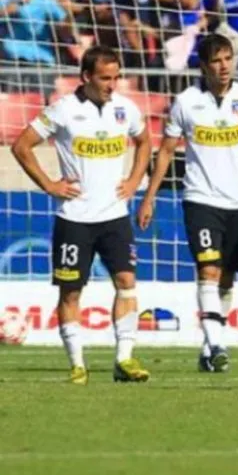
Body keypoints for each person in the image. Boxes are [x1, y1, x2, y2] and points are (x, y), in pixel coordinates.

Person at [138, 33, 238, 373]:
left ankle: (209, 347)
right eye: (217, 61)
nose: (224, 67)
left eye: (228, 59)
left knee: (227, 278)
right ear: (204, 66)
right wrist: (149, 197)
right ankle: (219, 344)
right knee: (207, 269)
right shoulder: (186, 102)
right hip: (200, 199)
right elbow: (165, 152)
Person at [11, 46, 151, 385]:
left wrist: (134, 181)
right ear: (86, 77)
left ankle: (125, 359)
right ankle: (77, 365)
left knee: (127, 283)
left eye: (117, 77)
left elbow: (145, 142)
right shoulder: (63, 110)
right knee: (71, 292)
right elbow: (21, 146)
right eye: (105, 78)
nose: (112, 84)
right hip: (74, 218)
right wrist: (50, 184)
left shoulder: (124, 108)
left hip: (115, 216)